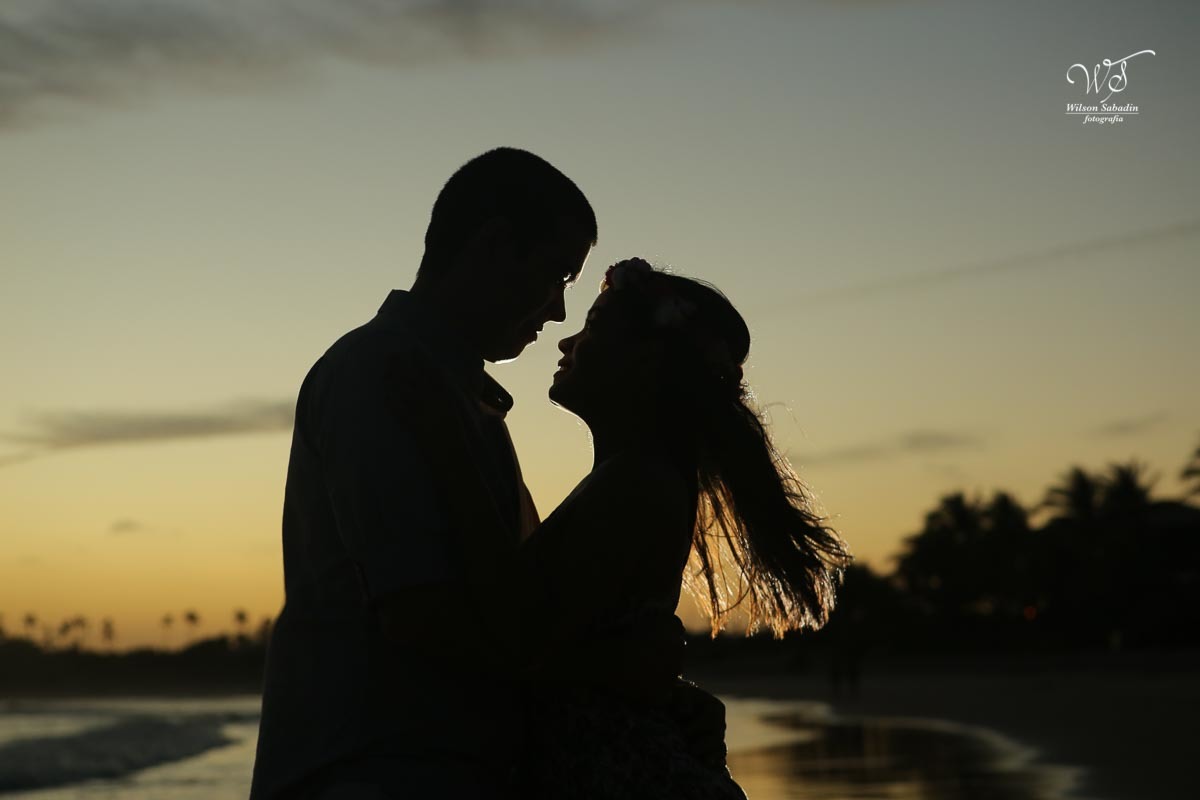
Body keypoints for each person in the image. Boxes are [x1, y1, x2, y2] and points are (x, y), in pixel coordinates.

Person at [395, 257, 853, 798]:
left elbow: (507, 631)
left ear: (646, 362)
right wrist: (652, 680)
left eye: (592, 328)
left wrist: (446, 448)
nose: (566, 344)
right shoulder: (639, 480)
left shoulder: (637, 485)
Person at [249, 146, 608, 799]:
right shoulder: (381, 375)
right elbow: (424, 612)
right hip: (371, 769)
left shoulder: (454, 392)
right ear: (496, 245)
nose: (558, 311)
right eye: (558, 275)